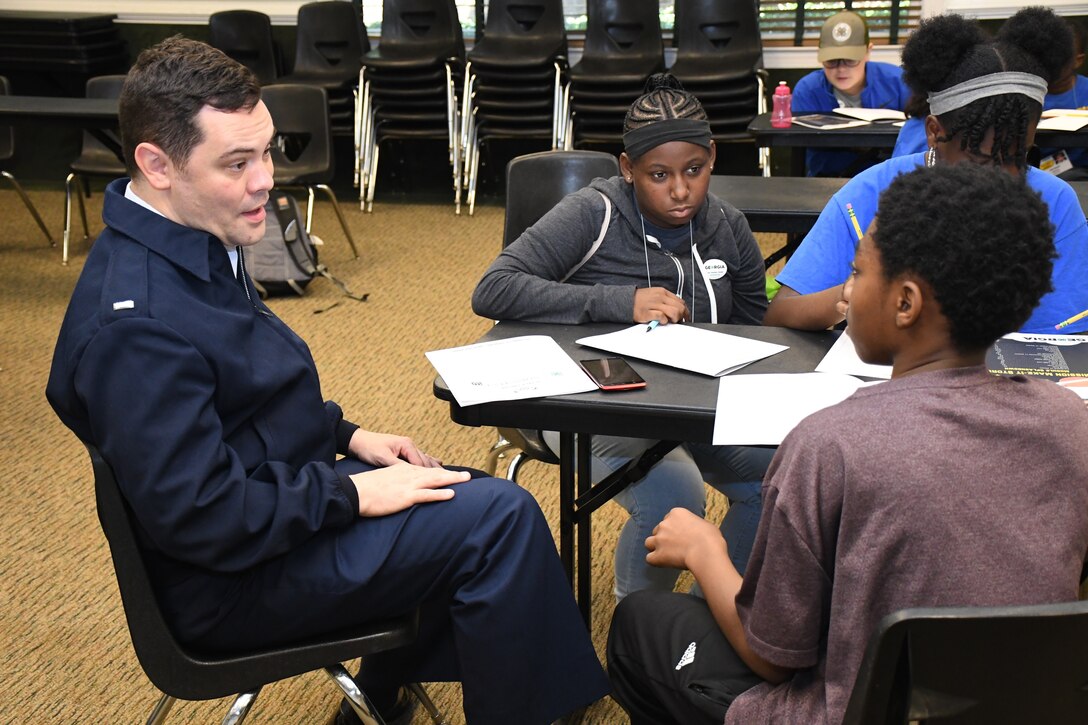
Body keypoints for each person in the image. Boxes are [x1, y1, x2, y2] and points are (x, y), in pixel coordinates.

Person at [45, 37, 609, 725]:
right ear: (156, 164)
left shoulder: (188, 236)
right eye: (237, 162)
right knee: (497, 519)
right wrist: (348, 491)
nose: (266, 180)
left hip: (266, 517)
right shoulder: (134, 326)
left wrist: (349, 435)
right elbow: (204, 517)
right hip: (227, 581)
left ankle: (377, 701)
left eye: (267, 152)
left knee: (463, 493)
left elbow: (241, 398)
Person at [606, 161, 1088, 725]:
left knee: (642, 623)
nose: (846, 290)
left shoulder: (827, 445)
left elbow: (771, 657)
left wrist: (705, 549)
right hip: (1027, 703)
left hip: (857, 711)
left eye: (857, 273)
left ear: (905, 303)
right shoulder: (1072, 424)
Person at [472, 74, 771, 598]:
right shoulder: (594, 213)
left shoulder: (728, 224)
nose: (681, 190)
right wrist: (618, 300)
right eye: (659, 175)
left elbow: (753, 328)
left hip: (689, 402)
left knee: (778, 478)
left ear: (713, 157)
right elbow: (493, 289)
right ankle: (638, 636)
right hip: (588, 400)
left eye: (694, 170)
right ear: (628, 169)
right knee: (674, 494)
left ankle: (712, 619)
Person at [765, 7, 1088, 335]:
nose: (1001, 176)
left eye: (1017, 157)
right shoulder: (869, 195)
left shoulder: (1055, 202)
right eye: (979, 159)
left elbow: (1068, 330)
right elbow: (781, 313)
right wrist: (848, 295)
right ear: (933, 133)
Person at [791, 11, 911, 177]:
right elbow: (815, 159)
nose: (841, 69)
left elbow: (915, 145)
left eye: (851, 60)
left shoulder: (899, 83)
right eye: (831, 61)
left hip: (888, 180)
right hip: (827, 181)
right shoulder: (807, 91)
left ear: (868, 51)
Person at [1040, 18, 1088, 180]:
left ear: (1078, 60)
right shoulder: (1027, 94)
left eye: (1062, 55)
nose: (1052, 60)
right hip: (1037, 174)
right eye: (1047, 52)